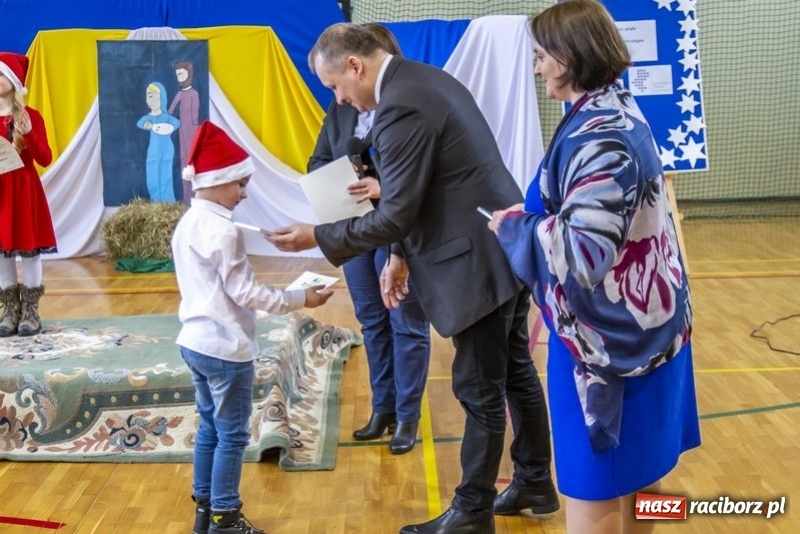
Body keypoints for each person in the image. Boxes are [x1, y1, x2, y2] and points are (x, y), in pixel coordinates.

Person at [268, 23, 558, 534]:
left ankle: (472, 511)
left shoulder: (398, 105)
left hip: (473, 259)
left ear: (355, 66)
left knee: (479, 388)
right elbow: (425, 184)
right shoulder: (422, 80)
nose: (341, 99)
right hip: (501, 246)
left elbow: (395, 215)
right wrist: (397, 254)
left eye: (337, 86)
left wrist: (319, 234)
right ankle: (534, 479)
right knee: (514, 371)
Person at [487, 1, 701, 532]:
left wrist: (514, 225)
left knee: (596, 484)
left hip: (610, 346)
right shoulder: (618, 107)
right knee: (648, 473)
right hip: (654, 327)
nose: (537, 69)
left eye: (541, 57)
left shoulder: (599, 134)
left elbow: (583, 253)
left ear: (568, 55)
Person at [171, 120, 333, 534]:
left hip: (194, 342)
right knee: (232, 436)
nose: (244, 193)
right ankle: (225, 518)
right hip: (225, 349)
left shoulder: (189, 222)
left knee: (209, 428)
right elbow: (248, 295)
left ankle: (205, 512)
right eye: (239, 184)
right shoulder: (224, 232)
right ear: (217, 180)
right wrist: (301, 298)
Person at [307, 23, 431, 455]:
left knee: (406, 322)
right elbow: (319, 159)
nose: (342, 93)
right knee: (372, 320)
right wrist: (344, 177)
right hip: (353, 227)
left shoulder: (404, 104)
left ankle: (408, 416)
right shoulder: (340, 107)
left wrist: (377, 179)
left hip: (400, 231)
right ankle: (384, 408)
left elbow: (413, 174)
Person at [0, 52, 56, 337]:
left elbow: (45, 158)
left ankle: (31, 311)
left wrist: (31, 134)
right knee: (2, 253)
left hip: (24, 192)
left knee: (30, 251)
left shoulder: (30, 116)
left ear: (12, 79)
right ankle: (9, 309)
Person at [137, 81, 180, 202]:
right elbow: (140, 123)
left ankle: (168, 202)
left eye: (151, 96)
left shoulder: (167, 118)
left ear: (161, 97)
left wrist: (162, 127)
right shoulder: (148, 118)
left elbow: (176, 124)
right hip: (152, 152)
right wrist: (150, 126)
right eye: (147, 96)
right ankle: (155, 201)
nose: (149, 100)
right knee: (153, 175)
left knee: (165, 175)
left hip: (166, 150)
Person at [168, 60, 200, 204]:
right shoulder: (180, 94)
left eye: (182, 74)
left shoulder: (194, 93)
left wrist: (194, 125)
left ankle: (194, 196)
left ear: (189, 74)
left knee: (193, 160)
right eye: (177, 75)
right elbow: (171, 109)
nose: (180, 78)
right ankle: (187, 197)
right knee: (183, 160)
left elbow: (195, 115)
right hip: (182, 131)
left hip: (192, 130)